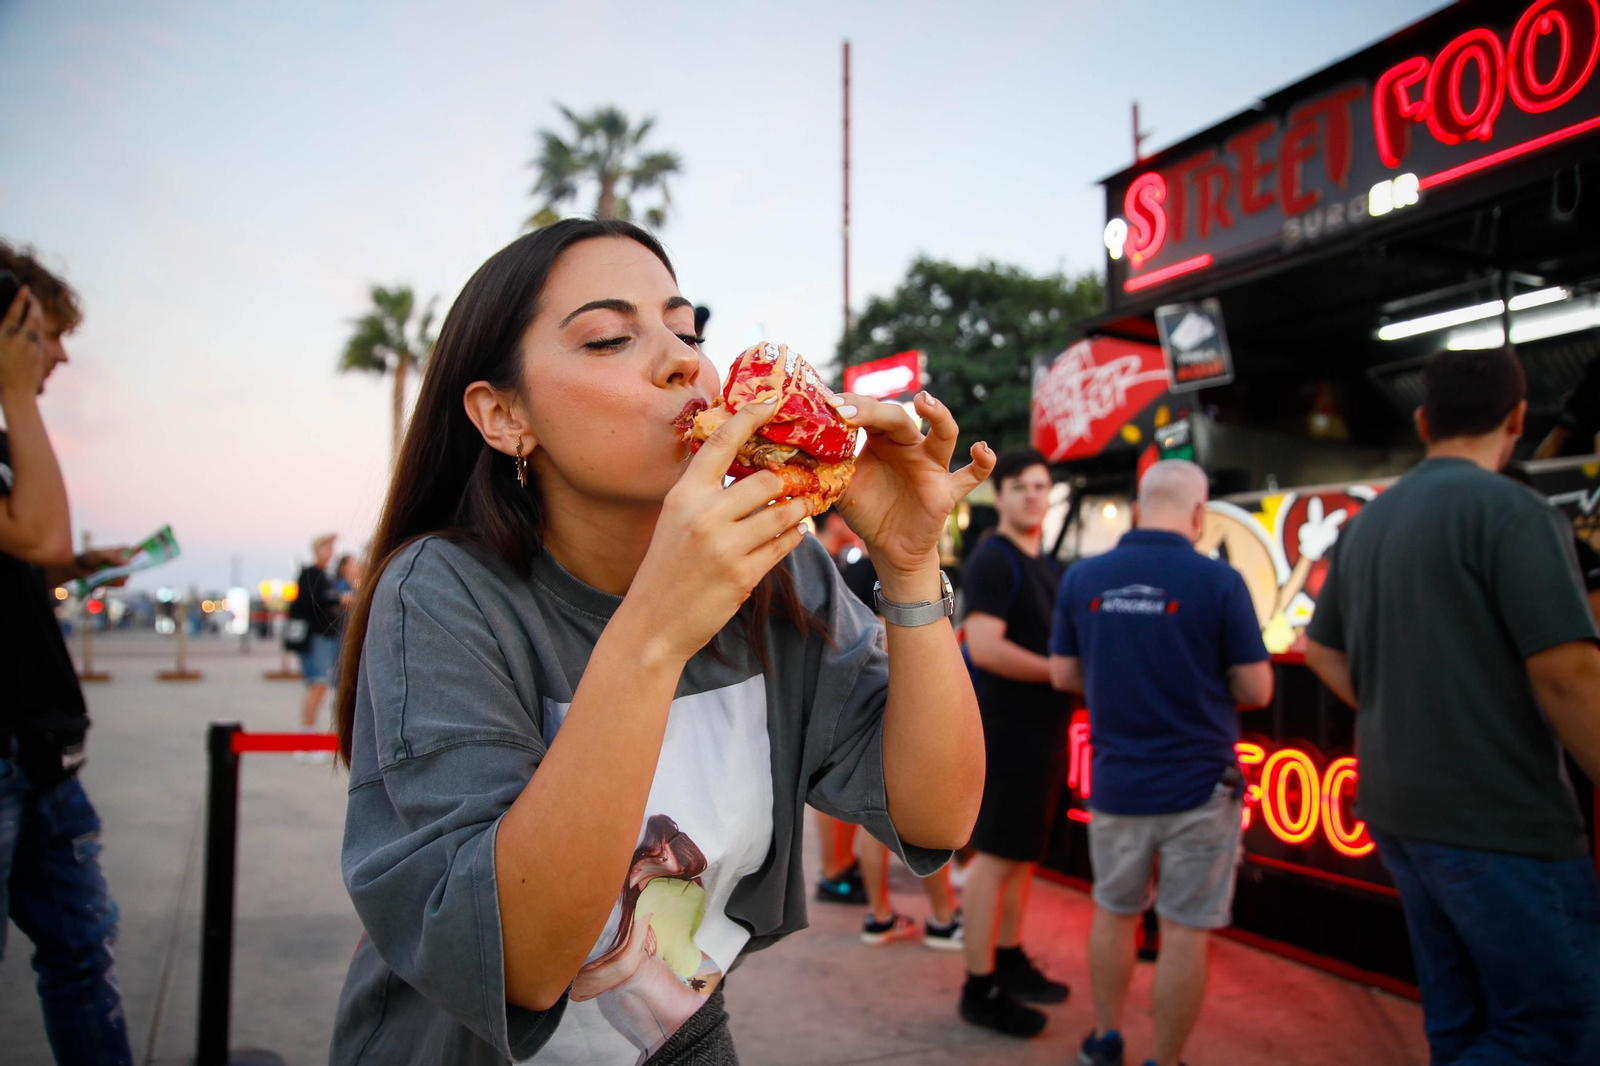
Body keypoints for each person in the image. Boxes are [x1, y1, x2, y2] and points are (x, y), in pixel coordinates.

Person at [329, 219, 994, 1065]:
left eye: (689, 330)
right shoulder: (443, 593)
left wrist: (907, 565)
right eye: (609, 337)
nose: (683, 360)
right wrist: (654, 626)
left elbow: (938, 811)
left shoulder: (780, 570)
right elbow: (528, 962)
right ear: (503, 415)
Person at [1304, 346, 1600, 1065]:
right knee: (1554, 1033)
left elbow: (1320, 650)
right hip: (1500, 817)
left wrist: (1400, 704)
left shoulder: (1366, 524)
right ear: (1520, 418)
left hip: (1399, 811)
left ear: (1423, 419)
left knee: (1459, 1020)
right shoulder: (1516, 512)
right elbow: (1568, 674)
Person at [1049, 460, 1273, 1066]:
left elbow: (1063, 674)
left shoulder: (1084, 577)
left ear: (1140, 506)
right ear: (1199, 515)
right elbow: (1257, 688)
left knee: (1115, 912)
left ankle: (1104, 1039)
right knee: (1183, 930)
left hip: (1116, 781)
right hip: (1201, 787)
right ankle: (1166, 1058)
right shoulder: (1220, 582)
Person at [0, 243, 134, 1066]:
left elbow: (33, 551)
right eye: (43, 334)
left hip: (41, 749)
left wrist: (79, 565)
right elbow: (37, 530)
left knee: (83, 954)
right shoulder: (14, 414)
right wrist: (18, 395)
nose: (59, 354)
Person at [958, 448, 1072, 1037]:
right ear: (999, 495)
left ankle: (1009, 956)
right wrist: (1058, 672)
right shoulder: (993, 560)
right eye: (1022, 487)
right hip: (1006, 728)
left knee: (1022, 856)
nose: (1033, 495)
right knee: (996, 859)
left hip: (1046, 733)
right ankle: (979, 987)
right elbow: (984, 645)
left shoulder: (1047, 565)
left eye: (1041, 486)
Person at [809, 509, 867, 906]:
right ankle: (833, 870)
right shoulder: (815, 558)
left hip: (836, 680)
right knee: (831, 778)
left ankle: (841, 865)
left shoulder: (840, 560)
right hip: (821, 683)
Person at [288, 533, 342, 758]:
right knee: (317, 685)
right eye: (326, 546)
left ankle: (309, 739)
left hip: (322, 636)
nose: (330, 551)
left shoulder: (323, 575)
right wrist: (337, 599)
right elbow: (308, 602)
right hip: (315, 637)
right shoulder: (310, 573)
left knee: (320, 686)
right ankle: (307, 741)